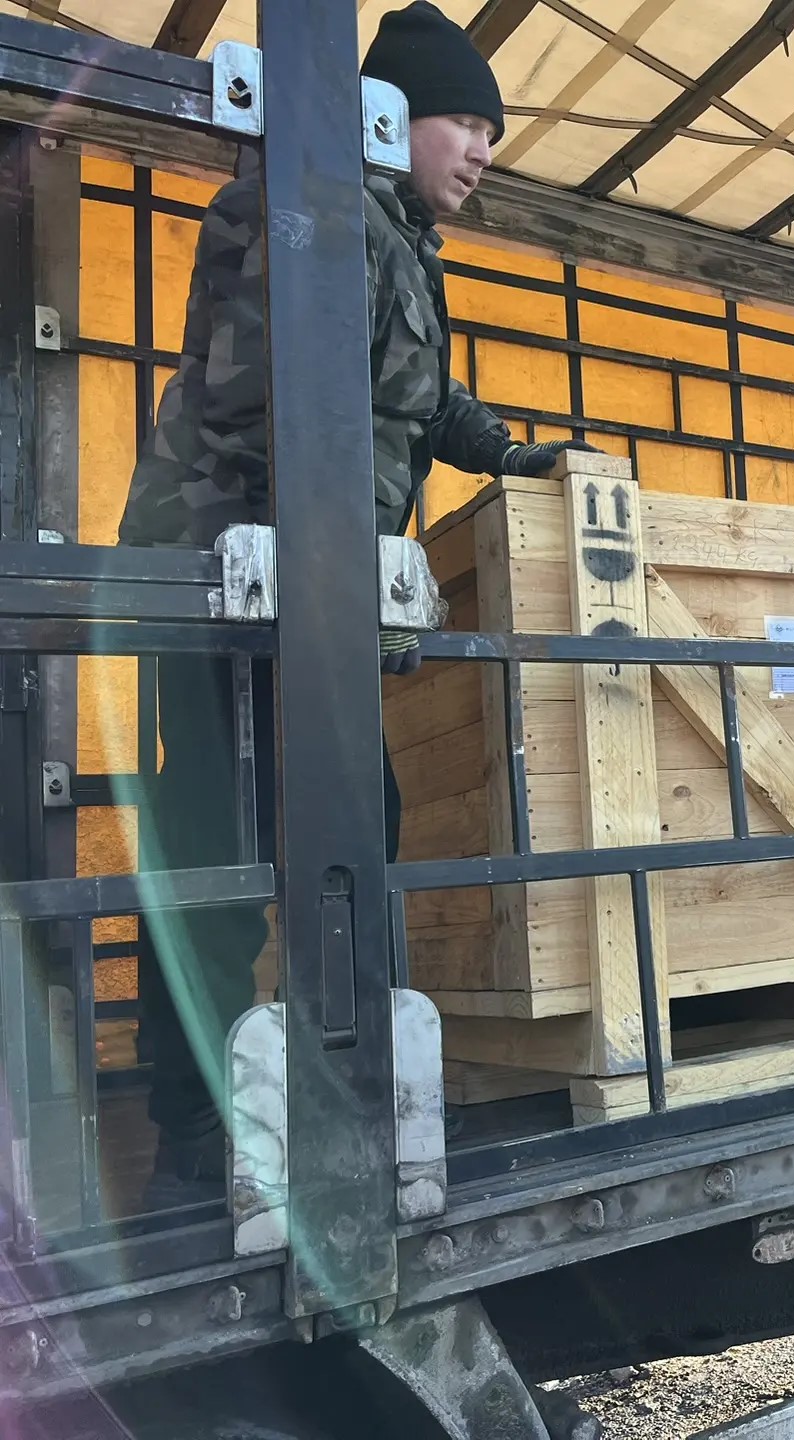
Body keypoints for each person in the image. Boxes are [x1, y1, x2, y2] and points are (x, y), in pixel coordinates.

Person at [120, 1, 597, 1206]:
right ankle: (191, 1139)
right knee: (221, 855)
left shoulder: (393, 239)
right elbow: (265, 404)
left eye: (493, 132)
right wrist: (348, 569)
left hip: (317, 602)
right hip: (232, 587)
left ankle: (336, 1101)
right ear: (388, 114)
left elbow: (424, 398)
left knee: (353, 838)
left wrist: (517, 457)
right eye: (466, 122)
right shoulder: (296, 206)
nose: (482, 151)